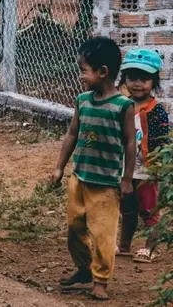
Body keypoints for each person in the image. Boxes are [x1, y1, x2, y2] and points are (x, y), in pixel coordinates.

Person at [49, 36, 136, 301]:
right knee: (74, 228)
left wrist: (127, 179)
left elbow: (130, 143)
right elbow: (72, 135)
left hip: (107, 184)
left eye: (83, 70)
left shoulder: (123, 106)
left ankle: (100, 279)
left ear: (102, 72)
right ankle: (84, 269)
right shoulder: (82, 101)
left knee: (103, 234)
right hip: (80, 177)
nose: (80, 76)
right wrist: (59, 167)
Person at [116, 49, 168, 264]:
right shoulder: (121, 105)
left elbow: (163, 141)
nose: (137, 83)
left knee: (149, 210)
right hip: (125, 169)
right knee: (126, 209)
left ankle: (150, 248)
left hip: (147, 169)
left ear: (153, 81)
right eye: (132, 77)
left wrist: (157, 169)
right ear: (124, 79)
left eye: (144, 78)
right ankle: (125, 245)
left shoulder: (156, 111)